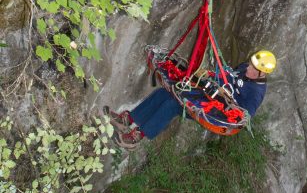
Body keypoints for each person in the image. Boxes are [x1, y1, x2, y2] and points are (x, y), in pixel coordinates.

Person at [104, 50, 277, 149]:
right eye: (251, 65)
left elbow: (243, 118)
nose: (249, 69)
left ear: (263, 74)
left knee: (172, 105)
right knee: (166, 92)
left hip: (211, 112)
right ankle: (129, 119)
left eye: (254, 70)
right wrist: (211, 77)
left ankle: (137, 137)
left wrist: (228, 102)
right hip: (206, 94)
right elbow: (227, 76)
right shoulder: (246, 68)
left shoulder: (256, 93)